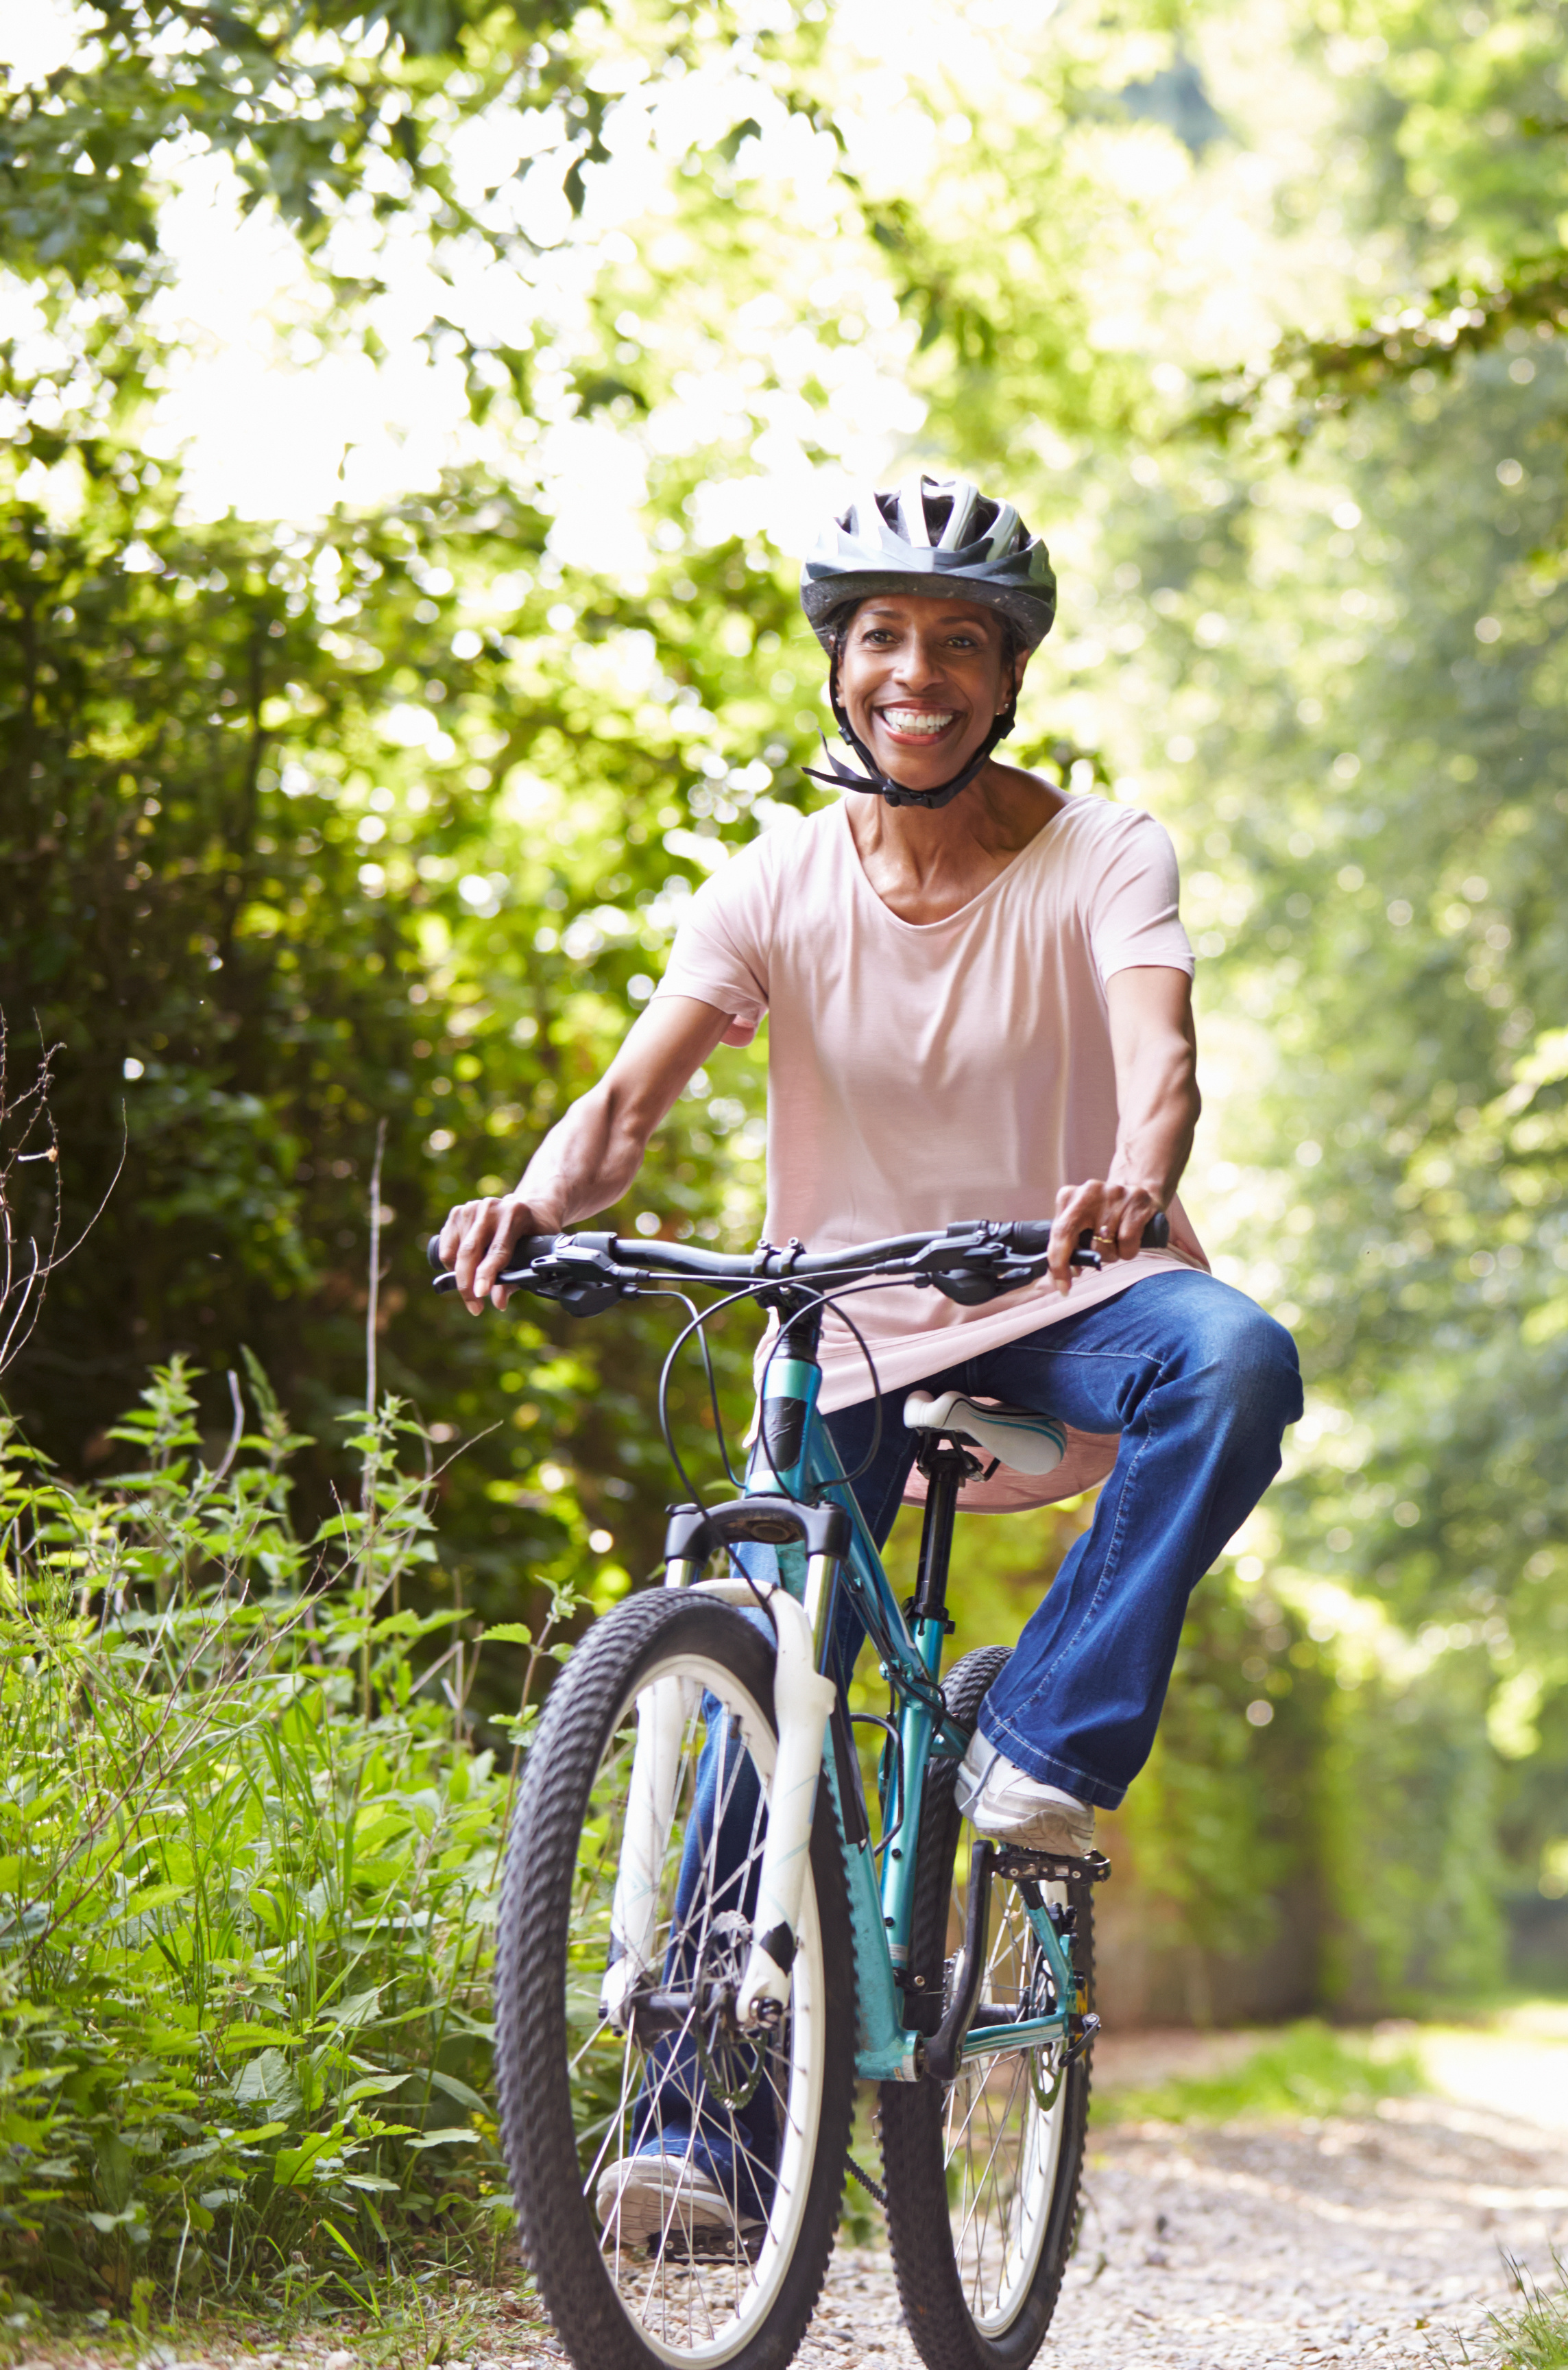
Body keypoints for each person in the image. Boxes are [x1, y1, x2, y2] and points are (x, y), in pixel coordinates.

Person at [436, 474, 1301, 2234]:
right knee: (771, 1662)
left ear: (1008, 680)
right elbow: (622, 1108)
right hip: (844, 1328)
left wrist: (1141, 1177)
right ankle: (694, 2129)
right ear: (841, 668)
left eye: (959, 644)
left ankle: (1045, 1749)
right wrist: (533, 1204)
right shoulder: (774, 882)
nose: (919, 672)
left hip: (1068, 1289)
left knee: (1238, 1361)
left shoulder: (1102, 854)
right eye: (884, 638)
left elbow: (1165, 1059)